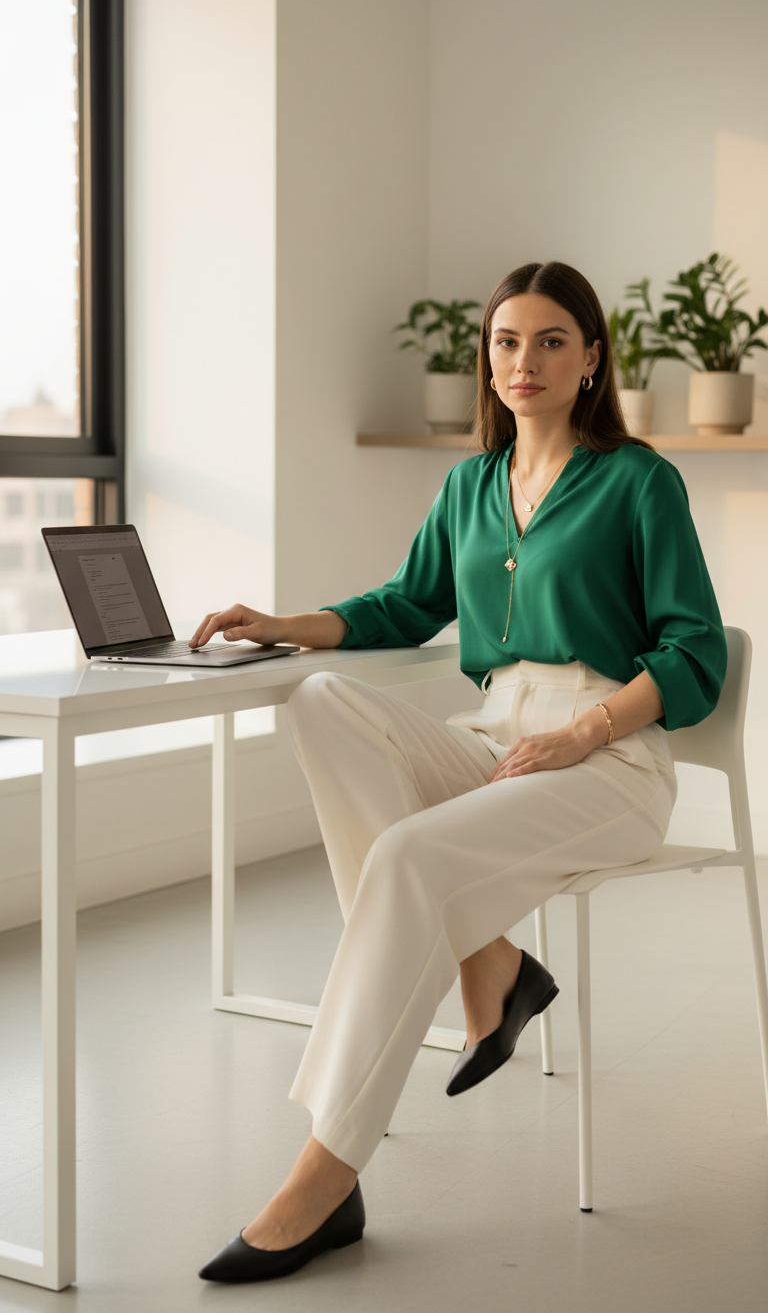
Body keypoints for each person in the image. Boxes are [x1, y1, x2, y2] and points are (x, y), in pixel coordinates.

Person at [195, 261, 727, 1284]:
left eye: (550, 342)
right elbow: (404, 604)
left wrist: (584, 734)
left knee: (403, 859)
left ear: (590, 360)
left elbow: (695, 654)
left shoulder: (638, 481)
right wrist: (283, 622)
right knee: (318, 699)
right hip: (495, 740)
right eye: (505, 343)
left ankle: (326, 1172)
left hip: (607, 760)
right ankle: (489, 961)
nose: (522, 363)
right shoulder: (471, 485)